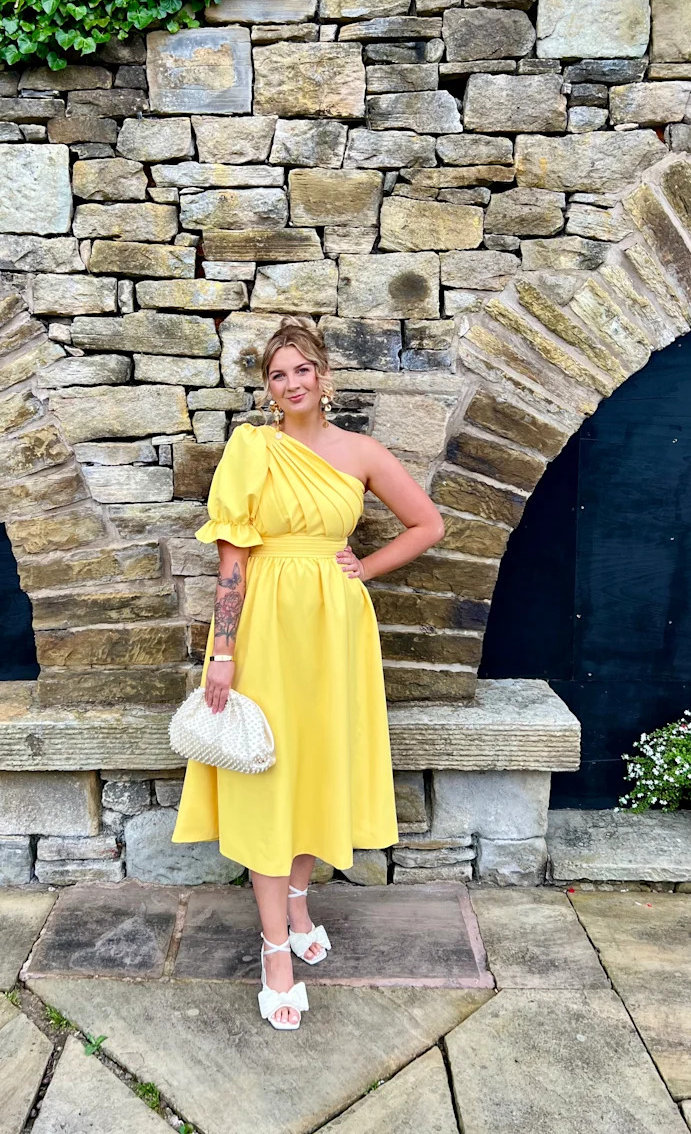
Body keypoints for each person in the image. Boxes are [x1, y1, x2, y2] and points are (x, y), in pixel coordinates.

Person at [171, 314, 446, 1029]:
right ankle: (274, 952)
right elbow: (231, 560)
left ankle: (297, 906)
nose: (291, 383)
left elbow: (428, 525)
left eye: (301, 369)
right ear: (268, 389)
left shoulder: (359, 451)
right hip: (262, 626)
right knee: (268, 779)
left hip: (334, 629)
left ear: (324, 376)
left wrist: (366, 566)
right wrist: (222, 651)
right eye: (276, 374)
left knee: (312, 768)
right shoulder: (251, 450)